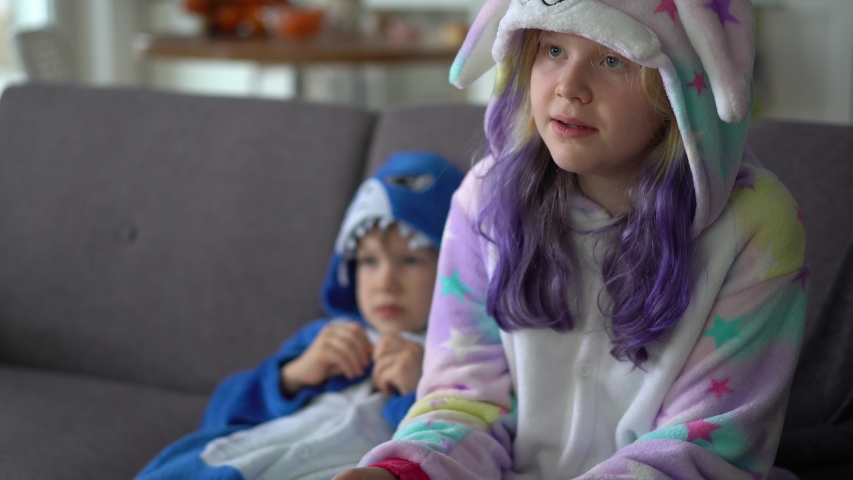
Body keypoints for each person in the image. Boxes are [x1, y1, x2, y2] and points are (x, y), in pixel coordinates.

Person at [335, 1, 807, 479]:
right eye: (554, 50)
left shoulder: (756, 225)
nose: (569, 87)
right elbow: (462, 398)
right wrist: (403, 472)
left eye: (612, 59)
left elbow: (707, 444)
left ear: (679, 89)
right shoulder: (482, 200)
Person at [134, 151, 464, 480]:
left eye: (410, 261)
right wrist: (293, 376)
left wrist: (418, 392)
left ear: (452, 265)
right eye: (368, 261)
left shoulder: (457, 360)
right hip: (228, 465)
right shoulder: (324, 338)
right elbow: (219, 415)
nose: (385, 283)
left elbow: (460, 452)